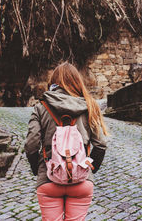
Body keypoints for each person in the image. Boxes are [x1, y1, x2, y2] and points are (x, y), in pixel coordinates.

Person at [25, 62, 108, 221]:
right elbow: (101, 145)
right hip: (81, 182)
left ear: (54, 83)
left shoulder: (41, 107)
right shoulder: (89, 106)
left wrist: (39, 168)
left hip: (48, 179)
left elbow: (31, 144)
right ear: (77, 82)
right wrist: (89, 169)